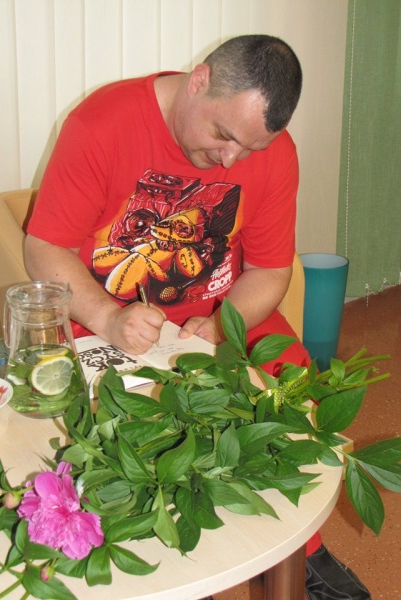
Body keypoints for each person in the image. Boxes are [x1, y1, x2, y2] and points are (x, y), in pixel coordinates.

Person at [24, 35, 370, 600]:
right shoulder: (101, 123)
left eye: (250, 149)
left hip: (216, 313)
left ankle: (299, 548)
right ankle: (172, 556)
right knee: (137, 427)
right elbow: (45, 248)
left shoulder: (275, 152)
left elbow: (269, 271)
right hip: (103, 312)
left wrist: (222, 324)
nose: (232, 160)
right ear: (199, 80)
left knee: (291, 388)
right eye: (223, 135)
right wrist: (109, 318)